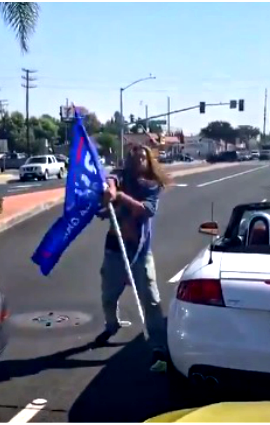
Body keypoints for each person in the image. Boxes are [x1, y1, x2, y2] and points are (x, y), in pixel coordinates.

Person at [96, 144, 173, 372]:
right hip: (114, 249)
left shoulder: (152, 186)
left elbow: (147, 210)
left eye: (143, 157)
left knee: (150, 299)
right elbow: (111, 179)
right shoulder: (121, 176)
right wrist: (110, 190)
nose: (139, 159)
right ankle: (112, 325)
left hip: (139, 250)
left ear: (149, 161)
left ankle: (158, 346)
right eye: (135, 156)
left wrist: (120, 197)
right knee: (108, 296)